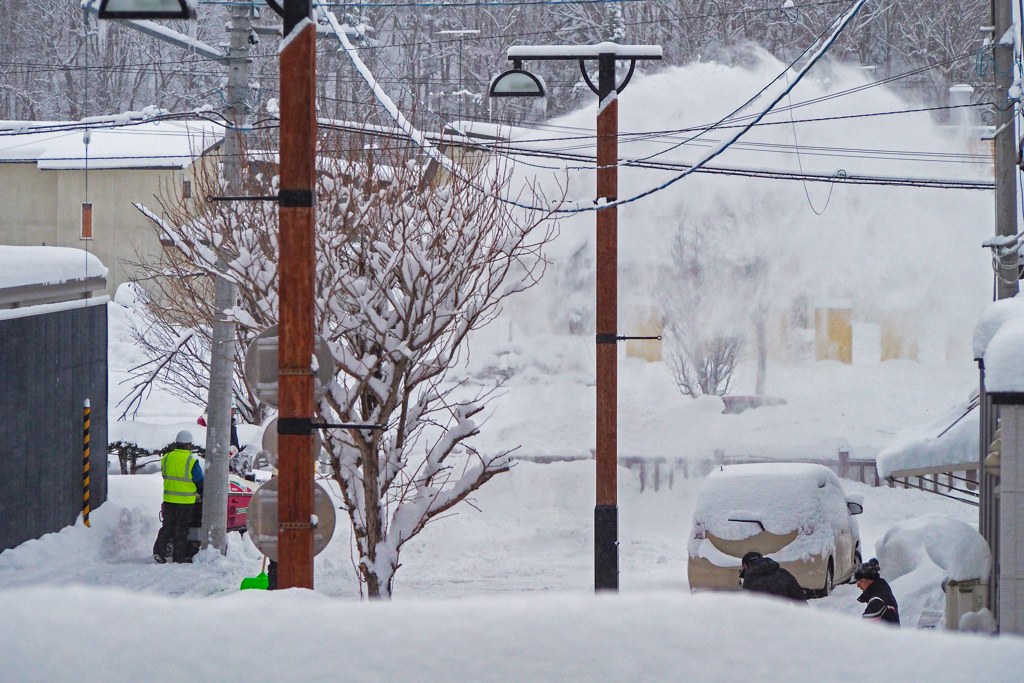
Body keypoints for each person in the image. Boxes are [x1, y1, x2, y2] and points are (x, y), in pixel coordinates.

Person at [153, 430, 204, 564]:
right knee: (181, 530)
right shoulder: (191, 461)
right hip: (186, 501)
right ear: (188, 445)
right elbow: (199, 480)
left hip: (169, 499)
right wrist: (203, 494)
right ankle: (179, 557)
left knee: (167, 527)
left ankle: (158, 551)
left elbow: (165, 475)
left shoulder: (166, 458)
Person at [740, 551, 807, 602]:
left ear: (746, 566)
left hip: (763, 618)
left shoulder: (749, 581)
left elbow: (747, 607)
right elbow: (800, 599)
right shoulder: (783, 573)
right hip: (785, 616)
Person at [855, 558, 900, 625]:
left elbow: (866, 628)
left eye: (860, 581)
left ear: (870, 579)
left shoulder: (877, 600)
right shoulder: (882, 590)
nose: (858, 585)